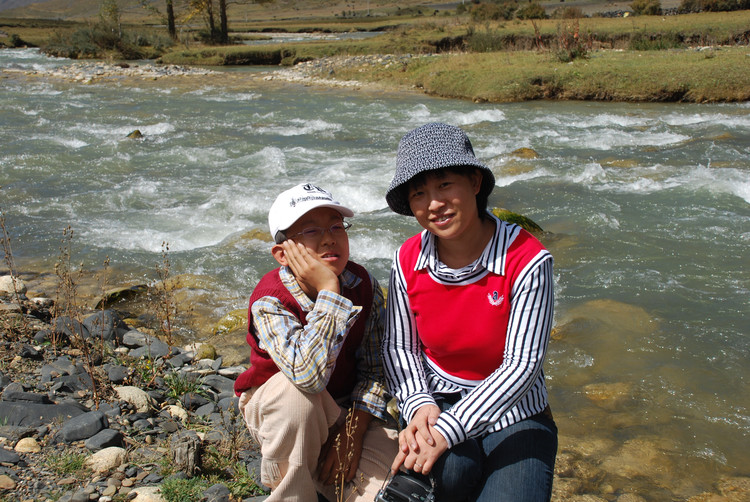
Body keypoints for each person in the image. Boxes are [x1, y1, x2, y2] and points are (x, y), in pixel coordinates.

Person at [382, 123, 558, 501]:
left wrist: (449, 430)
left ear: (475, 182)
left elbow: (522, 366)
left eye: (445, 185)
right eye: (419, 193)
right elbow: (400, 346)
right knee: (450, 474)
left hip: (516, 410)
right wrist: (418, 405)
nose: (433, 204)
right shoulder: (406, 259)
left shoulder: (527, 260)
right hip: (437, 397)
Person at [234, 182, 397, 502]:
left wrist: (353, 432)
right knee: (300, 401)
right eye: (310, 231)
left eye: (337, 226)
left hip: (344, 409)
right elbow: (307, 377)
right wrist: (329, 294)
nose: (328, 237)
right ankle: (291, 492)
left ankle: (319, 470)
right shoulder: (270, 300)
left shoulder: (363, 284)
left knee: (396, 488)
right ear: (282, 254)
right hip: (280, 407)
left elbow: (377, 368)